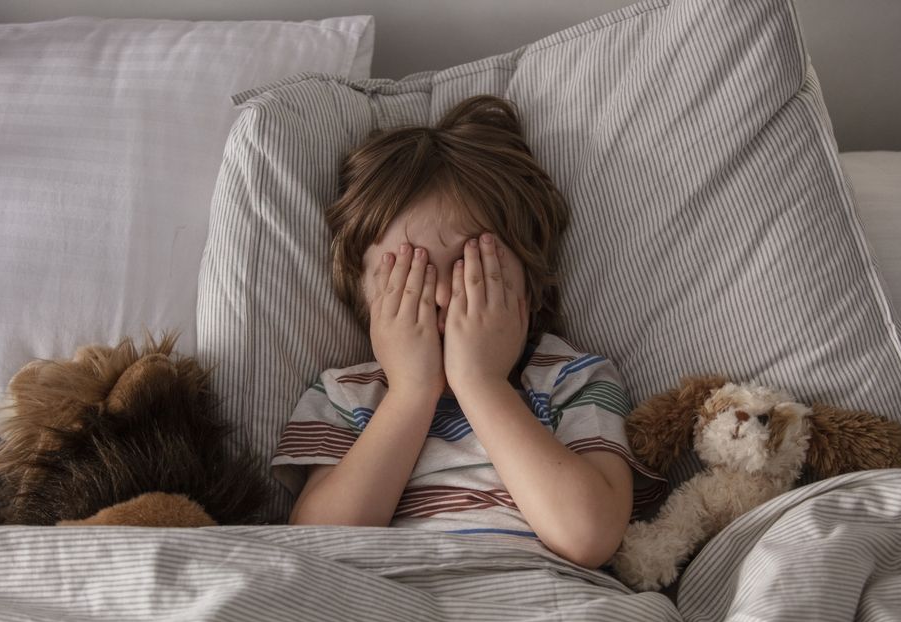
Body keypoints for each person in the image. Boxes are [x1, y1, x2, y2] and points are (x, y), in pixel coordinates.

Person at [271, 95, 664, 569]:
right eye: (408, 279)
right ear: (365, 302)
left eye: (467, 271)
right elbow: (316, 549)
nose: (438, 297)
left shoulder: (570, 379)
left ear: (529, 288)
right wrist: (411, 393)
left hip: (541, 605)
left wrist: (482, 384)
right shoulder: (347, 396)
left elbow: (587, 537)